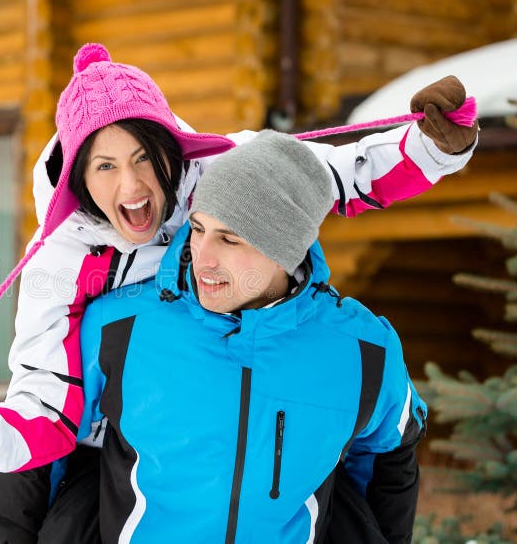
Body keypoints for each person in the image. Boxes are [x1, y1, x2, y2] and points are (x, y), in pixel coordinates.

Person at [0, 44, 475, 541]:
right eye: (105, 166)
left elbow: (337, 175)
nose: (133, 184)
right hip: (117, 413)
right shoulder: (63, 266)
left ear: (170, 152)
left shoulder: (223, 172)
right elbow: (45, 408)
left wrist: (432, 147)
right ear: (80, 179)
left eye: (143, 157)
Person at [72, 130, 425, 542]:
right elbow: (50, 452)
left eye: (229, 239)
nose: (201, 257)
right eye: (199, 229)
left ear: (284, 250)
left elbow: (389, 454)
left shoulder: (363, 351)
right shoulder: (119, 326)